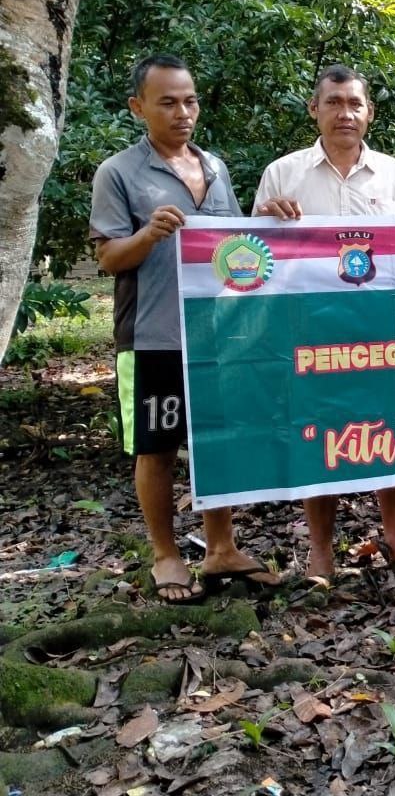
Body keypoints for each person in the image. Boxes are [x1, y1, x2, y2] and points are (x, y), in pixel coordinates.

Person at [90, 54, 280, 603]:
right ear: (138, 107)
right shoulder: (119, 172)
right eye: (167, 102)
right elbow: (108, 258)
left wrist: (266, 221)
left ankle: (221, 547)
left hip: (218, 335)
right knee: (157, 447)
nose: (182, 112)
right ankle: (166, 554)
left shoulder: (215, 167)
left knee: (218, 440)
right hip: (153, 335)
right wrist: (148, 235)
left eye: (190, 100)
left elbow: (232, 249)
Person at [253, 64, 395, 583]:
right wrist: (267, 218)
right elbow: (250, 257)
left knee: (394, 426)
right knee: (320, 430)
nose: (345, 113)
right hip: (311, 332)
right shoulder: (282, 174)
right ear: (314, 109)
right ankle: (320, 550)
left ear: (370, 113)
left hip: (385, 331)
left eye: (355, 104)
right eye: (334, 102)